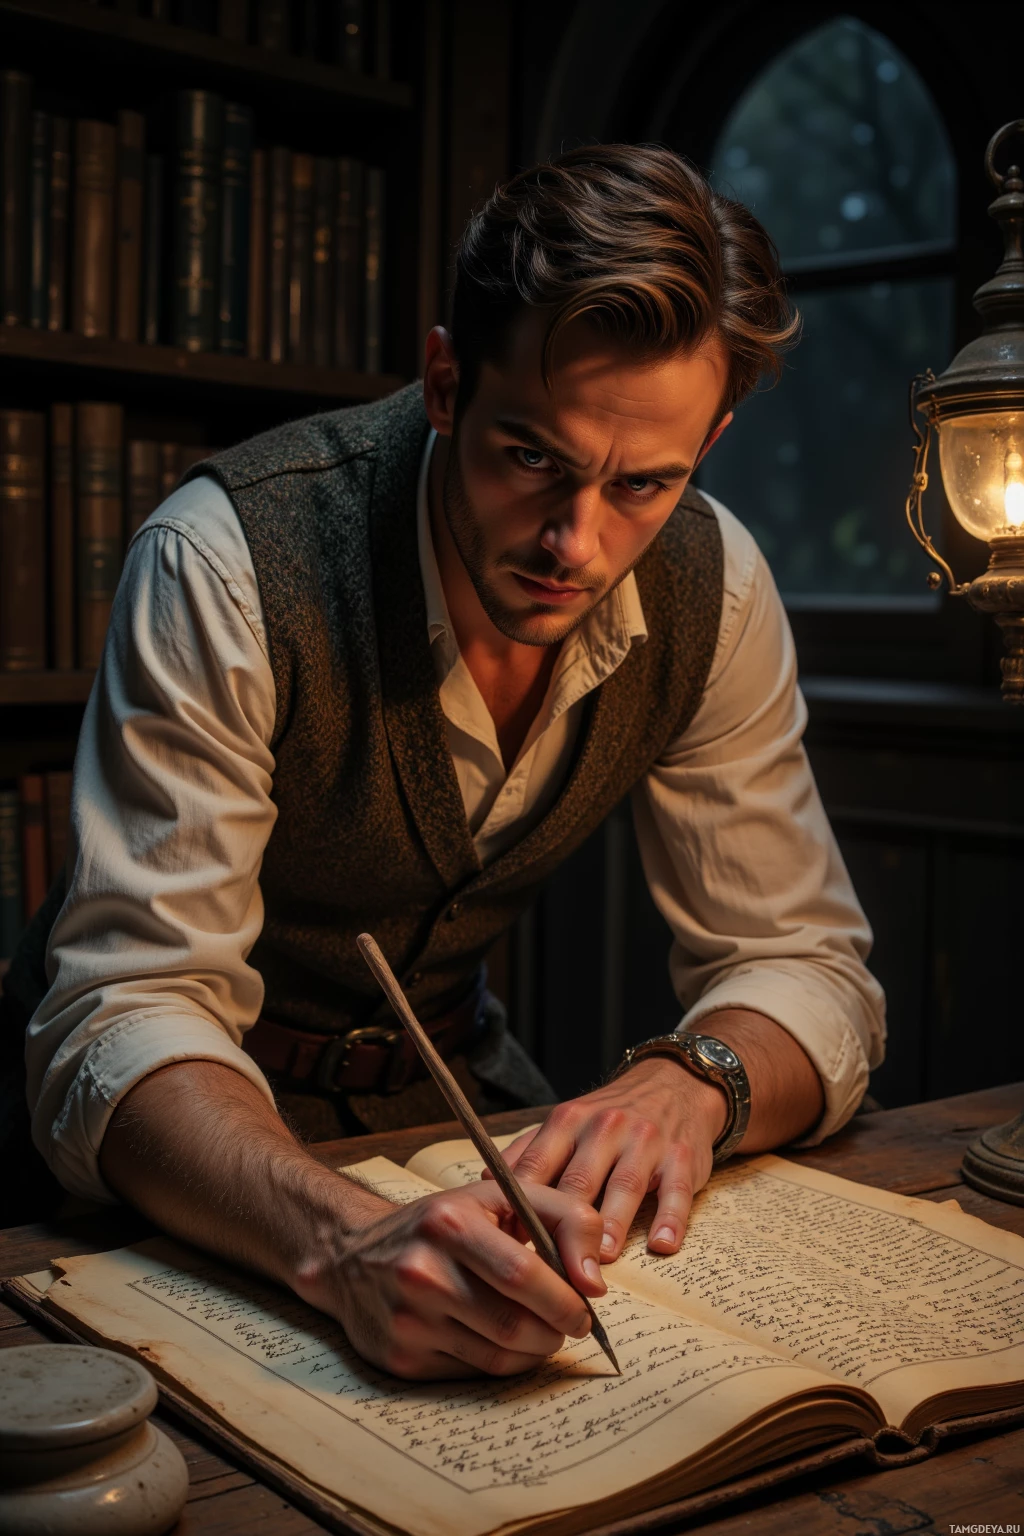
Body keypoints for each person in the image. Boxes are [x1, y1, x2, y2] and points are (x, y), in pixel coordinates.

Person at [7, 144, 884, 1381]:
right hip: (176, 1159)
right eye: (531, 457)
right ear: (442, 382)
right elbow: (125, 1014)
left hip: (451, 1110)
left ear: (710, 441)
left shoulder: (717, 583)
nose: (577, 544)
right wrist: (342, 1244)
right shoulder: (222, 561)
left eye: (645, 483)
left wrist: (694, 1080)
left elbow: (807, 964)